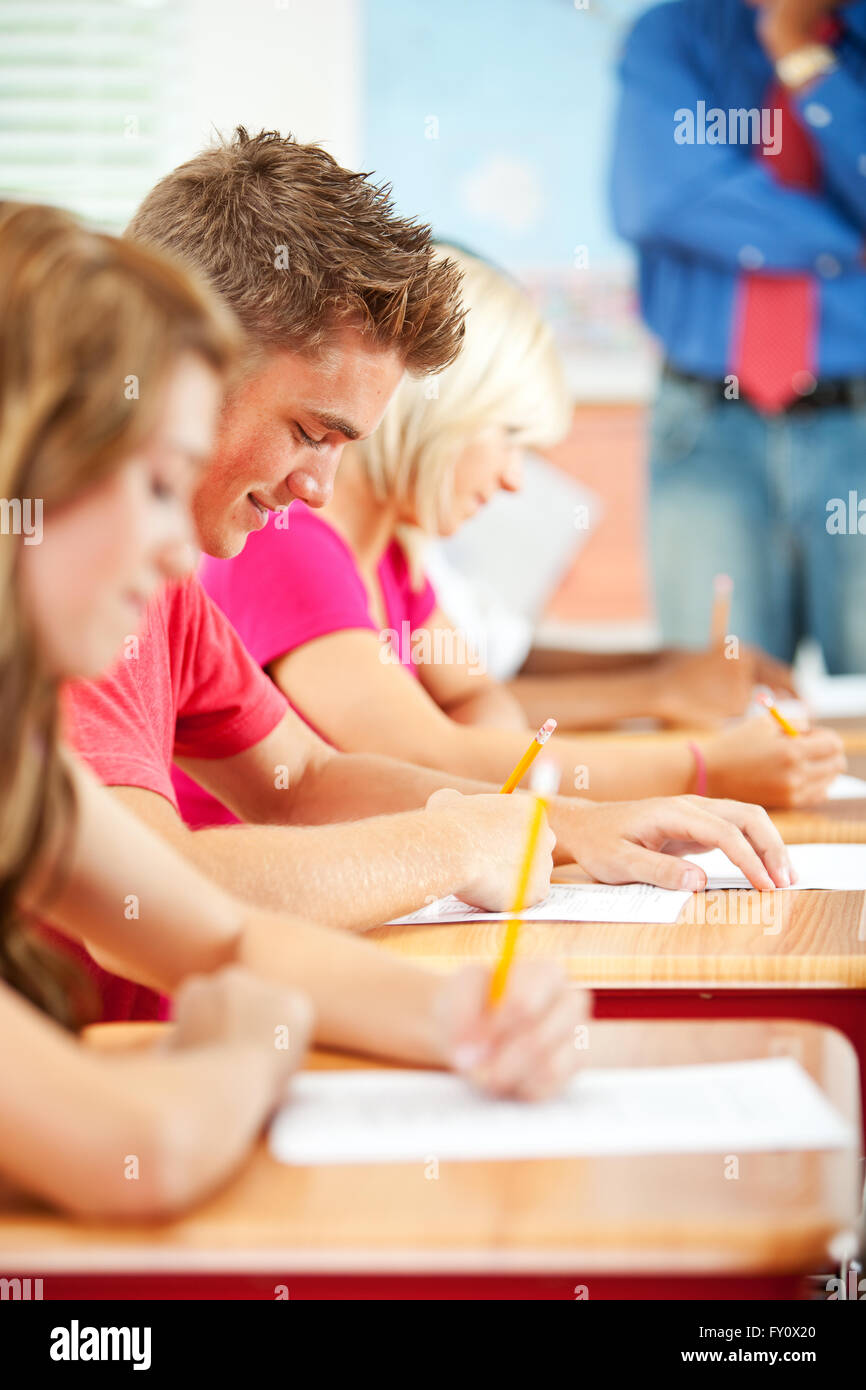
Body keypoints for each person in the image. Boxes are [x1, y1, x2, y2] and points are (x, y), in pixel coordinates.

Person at [56, 128, 792, 1018]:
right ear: (189, 364)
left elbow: (307, 784)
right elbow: (141, 891)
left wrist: (557, 827)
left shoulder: (166, 576)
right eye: (308, 432)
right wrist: (450, 847)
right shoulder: (72, 568)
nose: (320, 490)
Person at [0, 203, 592, 1214]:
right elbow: (132, 1147)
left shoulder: (28, 771)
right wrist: (255, 1041)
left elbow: (221, 938)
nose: (180, 554)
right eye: (147, 484)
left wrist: (463, 1012)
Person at [191, 245, 844, 813]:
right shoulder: (288, 545)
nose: (512, 479)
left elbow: (479, 699)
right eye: (507, 437)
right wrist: (706, 769)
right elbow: (435, 752)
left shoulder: (394, 557)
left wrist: (480, 746)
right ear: (434, 414)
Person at [611, 0, 866, 672]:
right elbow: (664, 200)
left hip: (858, 427)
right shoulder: (674, 32)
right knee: (712, 697)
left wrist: (800, 56)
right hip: (705, 427)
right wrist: (847, 240)